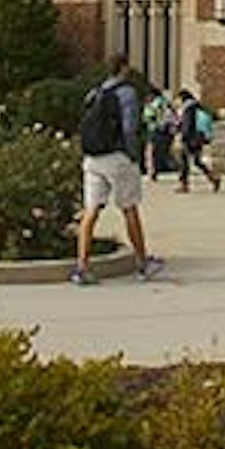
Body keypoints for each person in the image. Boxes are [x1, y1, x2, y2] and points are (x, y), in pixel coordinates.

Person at [71, 56, 162, 284]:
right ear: (124, 69)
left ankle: (82, 266)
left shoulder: (95, 92)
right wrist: (133, 155)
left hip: (92, 157)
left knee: (90, 211)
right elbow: (129, 128)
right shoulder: (127, 93)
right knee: (129, 208)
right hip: (116, 157)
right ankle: (143, 263)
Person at [174, 89, 218, 190]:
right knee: (196, 161)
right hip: (198, 138)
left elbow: (187, 124)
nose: (177, 101)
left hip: (190, 138)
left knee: (183, 161)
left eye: (178, 98)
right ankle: (213, 177)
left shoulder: (188, 108)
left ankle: (184, 185)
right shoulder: (197, 106)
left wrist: (182, 136)